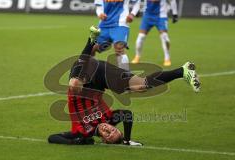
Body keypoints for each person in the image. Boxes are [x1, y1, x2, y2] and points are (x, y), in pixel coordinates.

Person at [48, 26, 200, 145]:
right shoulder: (109, 118)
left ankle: (91, 42)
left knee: (74, 85)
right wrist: (127, 139)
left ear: (104, 140)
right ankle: (183, 71)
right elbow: (127, 115)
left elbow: (52, 138)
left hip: (85, 75)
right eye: (113, 131)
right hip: (99, 74)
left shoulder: (81, 132)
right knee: (140, 86)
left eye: (108, 134)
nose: (108, 129)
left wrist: (75, 142)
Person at [94, 0, 141, 70]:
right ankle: (89, 70)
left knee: (119, 47)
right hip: (104, 24)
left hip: (121, 23)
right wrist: (100, 14)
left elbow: (137, 2)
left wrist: (132, 14)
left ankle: (126, 75)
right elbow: (99, 6)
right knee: (93, 48)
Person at [131, 0, 178, 66]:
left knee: (164, 37)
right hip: (147, 16)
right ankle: (137, 56)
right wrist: (136, 11)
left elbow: (172, 1)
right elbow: (138, 1)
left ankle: (167, 58)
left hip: (161, 16)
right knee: (141, 37)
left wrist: (175, 14)